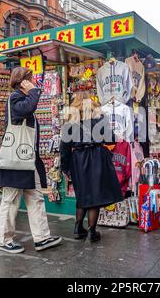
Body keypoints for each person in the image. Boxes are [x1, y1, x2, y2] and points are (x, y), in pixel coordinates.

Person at [0, 67, 62, 254]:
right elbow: (28, 107)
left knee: (36, 198)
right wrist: (33, 91)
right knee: (11, 200)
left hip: (28, 161)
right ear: (22, 81)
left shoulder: (23, 98)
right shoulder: (15, 98)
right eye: (30, 78)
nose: (34, 81)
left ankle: (42, 238)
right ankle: (4, 240)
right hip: (16, 161)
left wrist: (32, 92)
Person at [60, 91, 123, 243]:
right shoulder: (99, 117)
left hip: (78, 159)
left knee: (83, 194)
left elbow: (64, 148)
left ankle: (77, 228)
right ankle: (92, 231)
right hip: (96, 157)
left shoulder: (70, 121)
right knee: (95, 195)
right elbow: (110, 139)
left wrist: (66, 167)